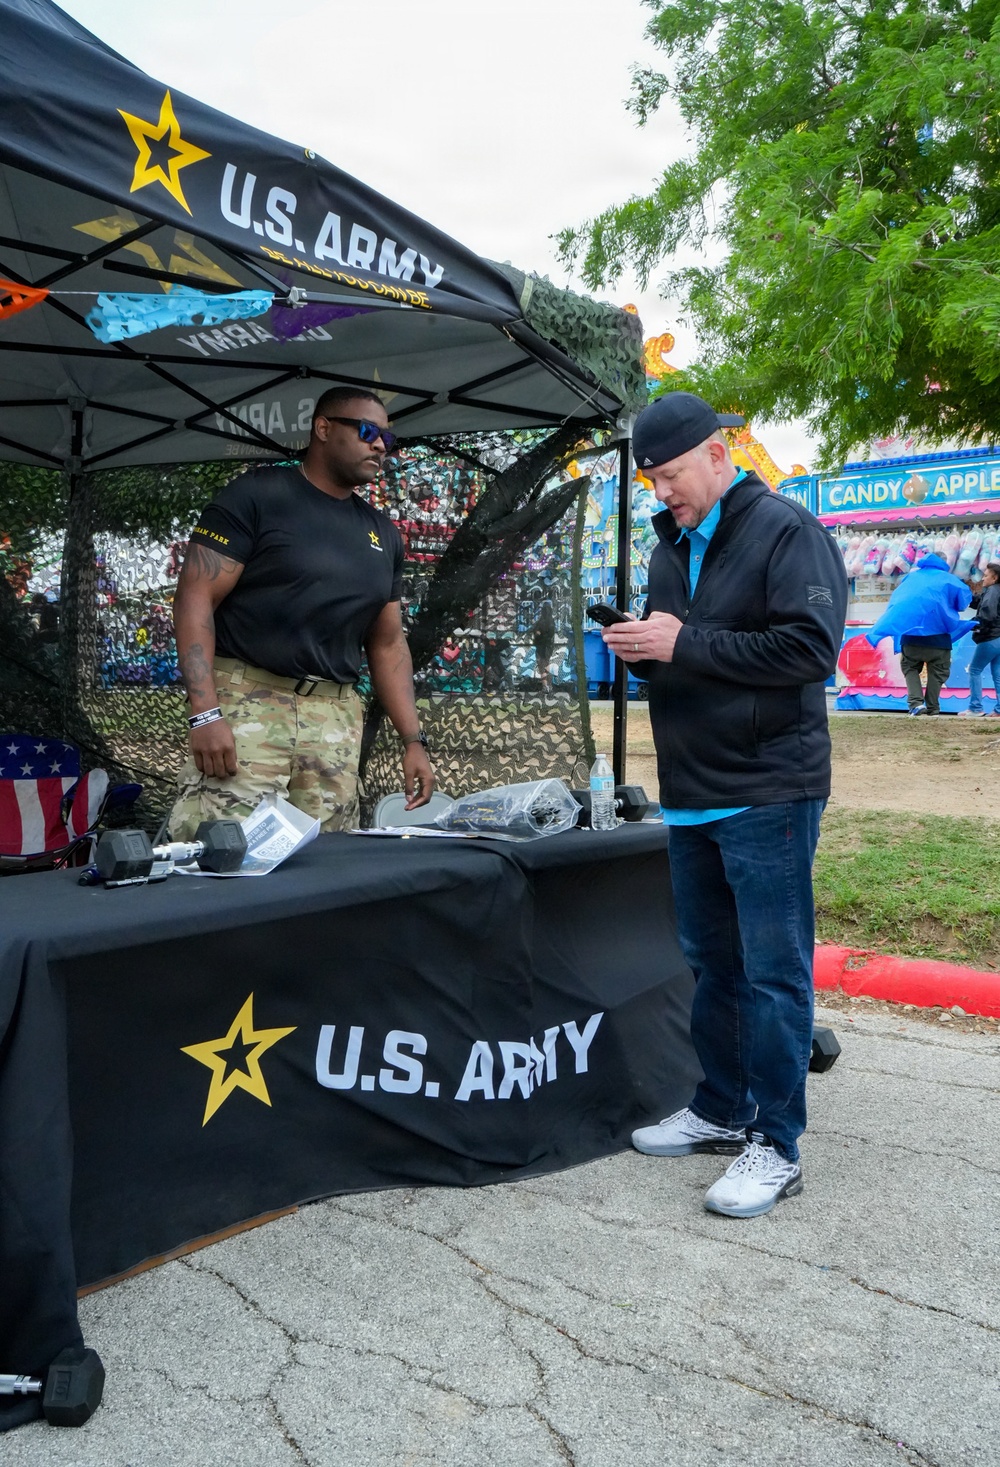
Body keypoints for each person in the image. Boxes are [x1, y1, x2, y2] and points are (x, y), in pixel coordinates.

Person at [601, 392, 847, 1219]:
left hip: (769, 786)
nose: (662, 491)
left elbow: (810, 649)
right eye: (651, 479)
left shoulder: (786, 529)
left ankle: (777, 1143)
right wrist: (645, 650)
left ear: (717, 454)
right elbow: (690, 654)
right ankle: (721, 1106)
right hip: (692, 789)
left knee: (774, 971)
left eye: (671, 474)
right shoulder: (668, 545)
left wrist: (681, 641)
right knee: (711, 963)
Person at [169, 386, 434, 839]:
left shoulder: (382, 533)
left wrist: (413, 740)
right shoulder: (257, 494)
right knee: (228, 853)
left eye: (388, 439)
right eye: (367, 431)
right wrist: (205, 713)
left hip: (334, 720)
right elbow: (195, 598)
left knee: (327, 863)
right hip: (248, 707)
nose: (379, 446)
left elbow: (388, 643)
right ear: (323, 429)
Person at [866, 553, 971, 714]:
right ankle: (933, 707)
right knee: (938, 673)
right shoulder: (950, 580)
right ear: (945, 562)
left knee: (910, 668)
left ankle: (916, 704)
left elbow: (898, 601)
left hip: (911, 637)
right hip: (939, 639)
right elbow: (963, 603)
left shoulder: (910, 578)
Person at [960, 561, 1000, 717]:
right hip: (998, 637)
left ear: (994, 578)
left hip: (990, 637)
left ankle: (975, 708)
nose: (982, 578)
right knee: (997, 673)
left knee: (975, 670)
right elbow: (979, 602)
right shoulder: (993, 591)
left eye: (986, 575)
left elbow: (987, 613)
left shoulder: (992, 591)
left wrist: (974, 624)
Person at [531, 601, 556, 693]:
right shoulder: (550, 621)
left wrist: (539, 634)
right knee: (545, 665)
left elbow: (536, 631)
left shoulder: (542, 621)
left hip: (542, 646)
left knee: (542, 666)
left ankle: (546, 686)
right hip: (547, 646)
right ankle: (548, 686)